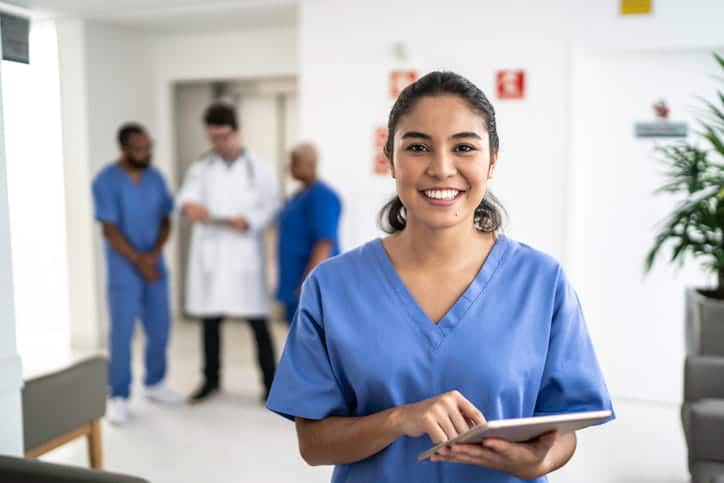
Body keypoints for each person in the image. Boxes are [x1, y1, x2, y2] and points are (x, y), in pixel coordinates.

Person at [266, 72, 614, 482]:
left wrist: (541, 460)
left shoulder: (541, 282)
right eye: (417, 147)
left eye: (464, 147)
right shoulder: (332, 287)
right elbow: (314, 445)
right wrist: (399, 419)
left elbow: (566, 428)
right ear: (391, 160)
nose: (441, 168)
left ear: (492, 160)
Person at [177, 102, 279, 403]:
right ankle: (210, 380)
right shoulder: (201, 169)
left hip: (244, 252)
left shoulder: (259, 168)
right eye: (213, 138)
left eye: (224, 137)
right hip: (212, 255)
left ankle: (271, 386)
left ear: (237, 133)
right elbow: (186, 200)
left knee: (258, 324)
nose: (219, 143)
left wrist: (250, 220)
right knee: (210, 322)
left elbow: (271, 205)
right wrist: (189, 207)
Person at [92, 123, 182, 425]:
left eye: (149, 147)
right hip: (124, 269)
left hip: (154, 264)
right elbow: (109, 229)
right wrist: (139, 260)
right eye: (140, 149)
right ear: (124, 150)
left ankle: (155, 383)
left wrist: (154, 254)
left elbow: (166, 219)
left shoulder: (156, 178)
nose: (147, 153)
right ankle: (118, 395)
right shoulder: (105, 181)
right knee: (122, 331)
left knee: (160, 327)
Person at [276, 142, 342, 324]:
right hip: (293, 280)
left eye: (294, 162)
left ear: (310, 163)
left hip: (310, 284)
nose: (289, 167)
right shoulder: (299, 196)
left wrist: (309, 284)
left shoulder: (322, 196)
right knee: (296, 341)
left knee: (313, 343)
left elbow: (324, 243)